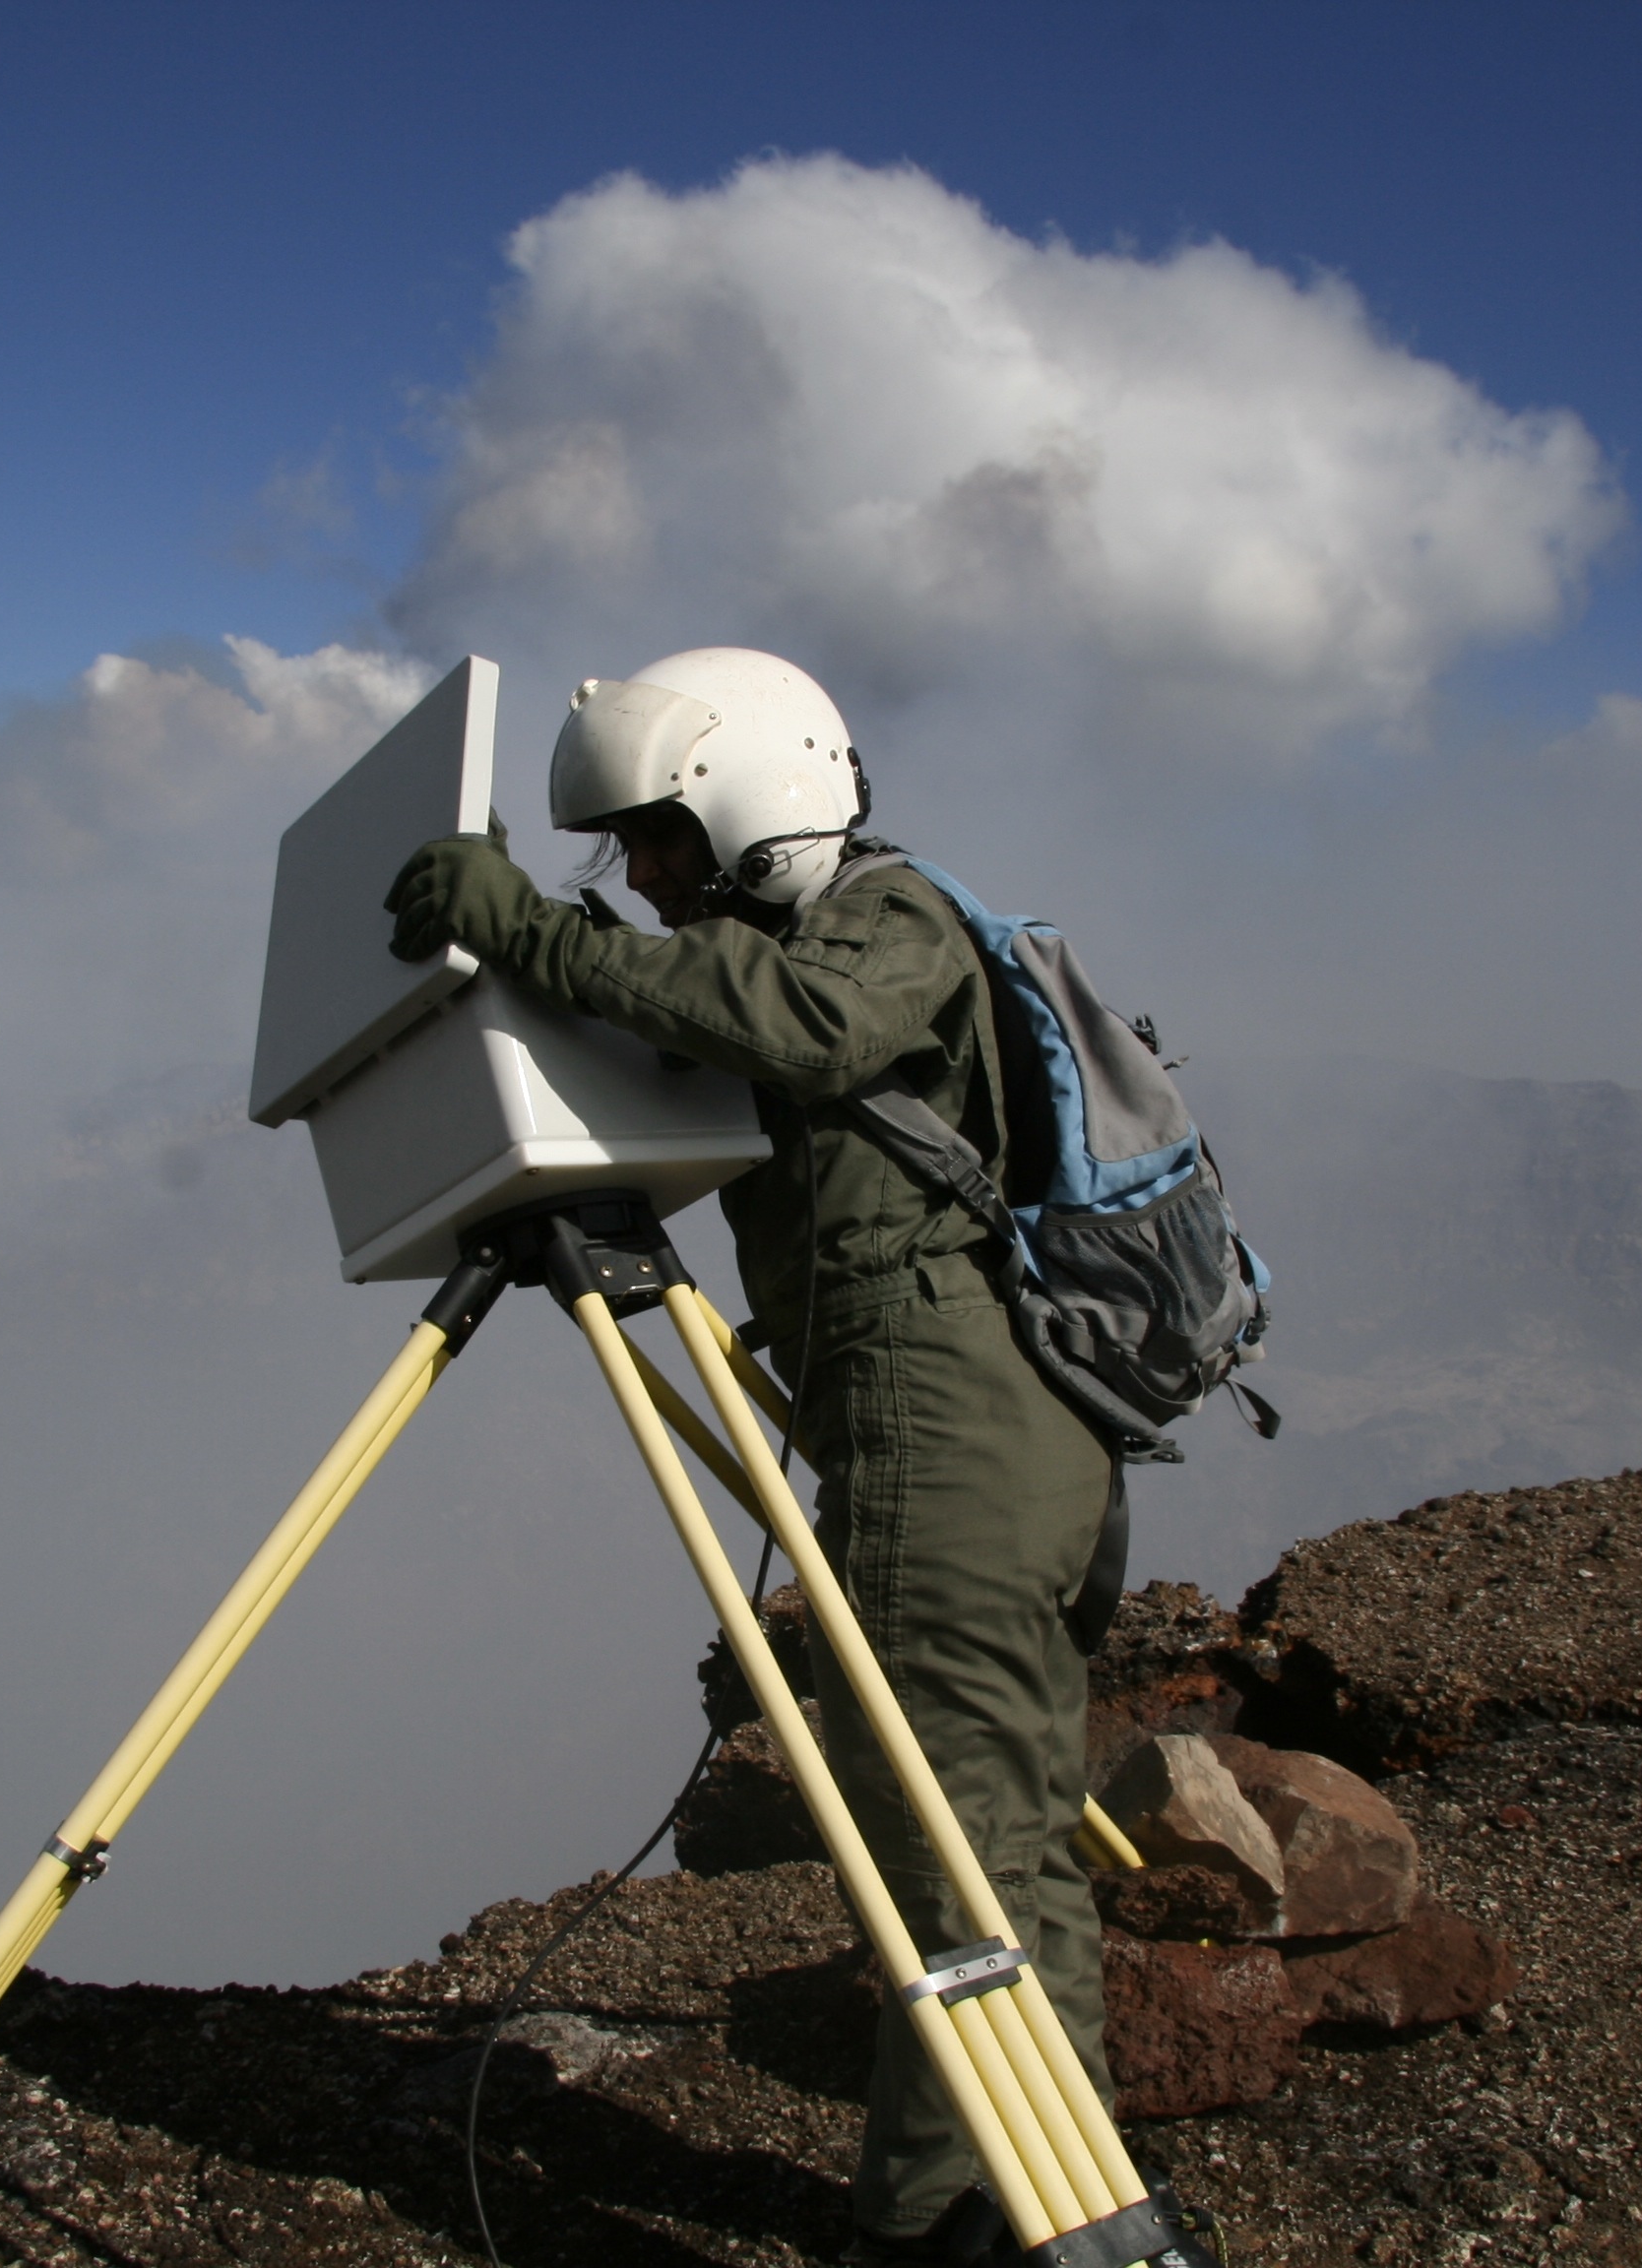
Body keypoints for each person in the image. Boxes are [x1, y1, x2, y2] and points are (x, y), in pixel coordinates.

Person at [385, 648, 1114, 2266]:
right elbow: (722, 1072)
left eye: (658, 841)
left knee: (955, 1855)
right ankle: (1018, 2200)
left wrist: (520, 924)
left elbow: (804, 1030)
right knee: (989, 1832)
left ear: (752, 798)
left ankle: (985, 2227)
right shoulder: (793, 946)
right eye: (624, 855)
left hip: (954, 1427)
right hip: (934, 1421)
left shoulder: (884, 919)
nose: (642, 883)